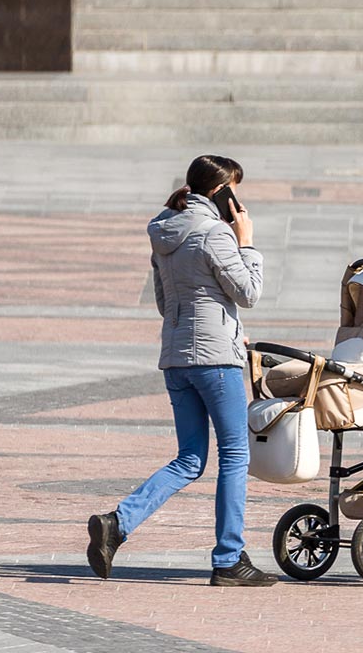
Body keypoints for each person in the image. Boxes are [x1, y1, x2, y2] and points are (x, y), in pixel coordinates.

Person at [86, 154, 277, 587]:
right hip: (216, 362)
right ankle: (229, 559)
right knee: (234, 455)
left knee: (191, 458)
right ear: (220, 191)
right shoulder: (215, 234)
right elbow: (248, 292)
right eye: (235, 189)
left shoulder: (163, 231)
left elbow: (165, 302)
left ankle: (117, 524)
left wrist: (224, 325)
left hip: (176, 359)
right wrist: (246, 241)